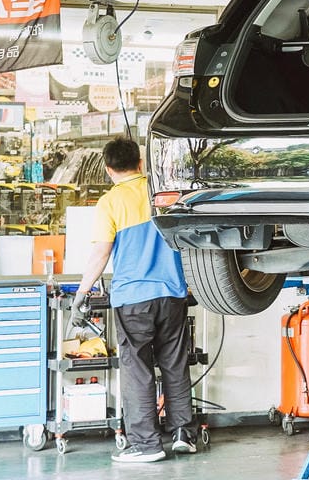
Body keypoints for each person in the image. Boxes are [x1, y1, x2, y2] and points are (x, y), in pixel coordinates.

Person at [72, 137, 196, 464]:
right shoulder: (162, 194)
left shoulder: (110, 202)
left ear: (109, 169)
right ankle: (184, 433)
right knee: (175, 362)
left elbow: (101, 253)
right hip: (172, 294)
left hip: (133, 298)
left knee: (137, 368)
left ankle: (146, 444)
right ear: (140, 163)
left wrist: (82, 294)